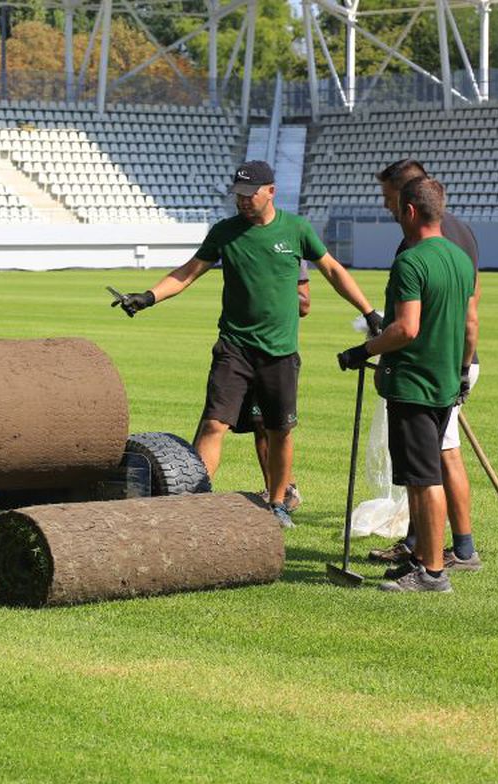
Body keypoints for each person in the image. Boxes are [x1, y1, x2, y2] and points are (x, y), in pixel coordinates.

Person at [114, 161, 382, 528]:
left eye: (248, 194)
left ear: (270, 191)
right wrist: (147, 297)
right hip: (234, 348)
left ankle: (277, 503)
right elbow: (187, 273)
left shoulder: (297, 230)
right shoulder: (225, 232)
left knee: (279, 430)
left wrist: (368, 312)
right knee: (213, 424)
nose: (241, 201)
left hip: (280, 353)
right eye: (237, 195)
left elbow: (333, 270)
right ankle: (193, 501)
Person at [338, 176, 477, 592]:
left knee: (422, 478)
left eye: (396, 208)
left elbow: (406, 328)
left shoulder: (411, 261)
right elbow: (471, 326)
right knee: (423, 472)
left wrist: (361, 352)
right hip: (444, 381)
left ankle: (432, 571)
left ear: (411, 211)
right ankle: (420, 558)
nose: (394, 215)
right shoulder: (460, 259)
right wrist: (463, 372)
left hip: (412, 382)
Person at [235, 262, 311, 511]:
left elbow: (304, 305)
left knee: (277, 427)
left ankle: (286, 491)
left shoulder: (291, 252)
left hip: (277, 353)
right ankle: (275, 490)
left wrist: (272, 289)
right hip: (247, 350)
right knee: (258, 425)